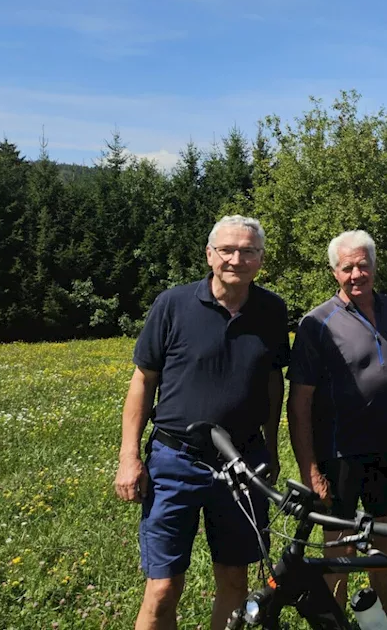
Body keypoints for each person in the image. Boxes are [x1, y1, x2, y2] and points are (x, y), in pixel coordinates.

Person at [113, 215, 290, 630]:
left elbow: (272, 384)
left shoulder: (272, 310)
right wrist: (128, 456)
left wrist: (271, 448)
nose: (236, 259)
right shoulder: (172, 304)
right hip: (176, 460)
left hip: (242, 461)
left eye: (248, 251)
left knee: (234, 577)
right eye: (227, 250)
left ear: (261, 260)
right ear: (209, 255)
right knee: (162, 587)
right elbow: (143, 381)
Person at [287, 230, 387, 612]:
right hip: (339, 453)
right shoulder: (316, 323)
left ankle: (380, 620)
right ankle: (335, 621)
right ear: (334, 272)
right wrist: (310, 470)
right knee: (339, 544)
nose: (356, 274)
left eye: (363, 265)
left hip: (386, 447)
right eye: (347, 268)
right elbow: (299, 403)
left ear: (374, 266)